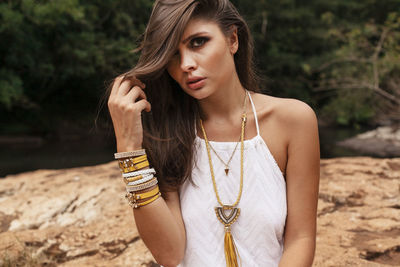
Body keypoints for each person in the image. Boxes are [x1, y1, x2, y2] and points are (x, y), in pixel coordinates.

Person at [107, 0, 320, 266]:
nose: (186, 64)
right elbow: (169, 254)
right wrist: (129, 150)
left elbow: (300, 238)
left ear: (232, 39)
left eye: (198, 42)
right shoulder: (167, 133)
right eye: (173, 53)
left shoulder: (293, 121)